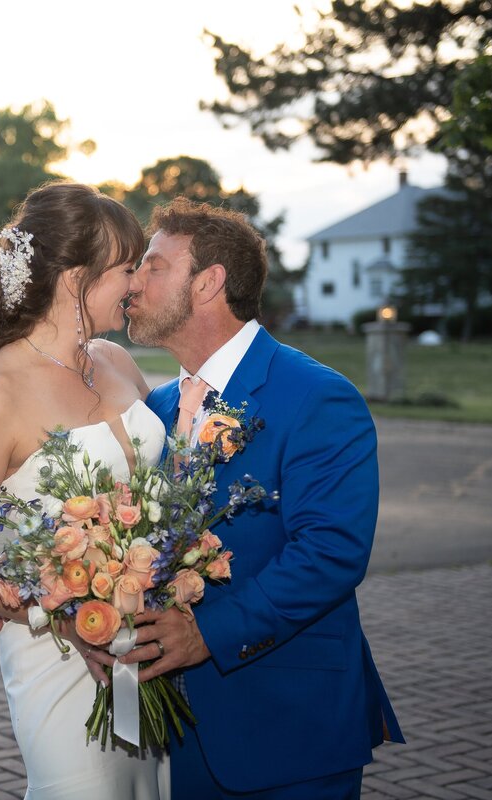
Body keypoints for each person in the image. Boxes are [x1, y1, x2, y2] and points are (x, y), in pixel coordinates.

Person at [118, 198, 403, 799]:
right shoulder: (158, 409)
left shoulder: (318, 397)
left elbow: (330, 553)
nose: (131, 281)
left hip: (285, 725)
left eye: (152, 266)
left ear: (208, 283)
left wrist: (207, 634)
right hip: (175, 735)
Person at [0, 182, 170, 799]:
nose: (136, 284)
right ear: (73, 278)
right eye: (125, 269)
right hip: (60, 655)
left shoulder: (116, 362)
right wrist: (57, 613)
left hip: (145, 641)